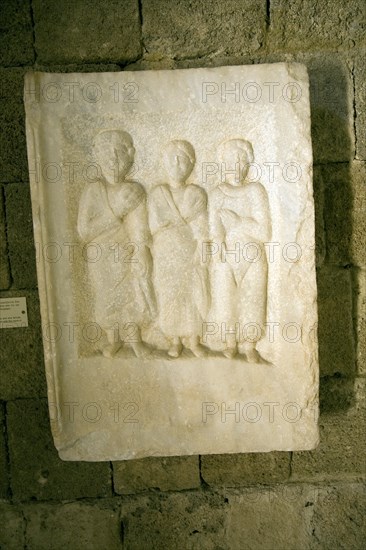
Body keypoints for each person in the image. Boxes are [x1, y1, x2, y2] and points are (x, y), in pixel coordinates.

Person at [77, 129, 155, 358]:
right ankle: (113, 339)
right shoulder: (93, 191)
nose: (114, 161)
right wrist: (115, 212)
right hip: (100, 255)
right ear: (98, 159)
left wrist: (141, 251)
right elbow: (84, 231)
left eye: (119, 154)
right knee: (106, 296)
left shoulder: (134, 190)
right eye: (107, 156)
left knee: (131, 293)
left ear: (130, 158)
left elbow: (140, 228)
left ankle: (135, 340)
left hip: (126, 252)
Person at [209, 139, 271, 362]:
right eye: (231, 159)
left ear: (248, 163)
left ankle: (250, 344)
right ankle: (229, 342)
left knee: (252, 297)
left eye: (241, 159)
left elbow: (264, 233)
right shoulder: (217, 194)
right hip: (227, 256)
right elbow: (214, 230)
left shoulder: (256, 191)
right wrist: (218, 250)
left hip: (253, 255)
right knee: (225, 297)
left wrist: (238, 222)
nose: (236, 164)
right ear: (223, 163)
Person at [149, 140, 209, 358]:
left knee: (192, 292)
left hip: (189, 252)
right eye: (172, 159)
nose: (177, 163)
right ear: (164, 163)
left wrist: (202, 247)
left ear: (191, 164)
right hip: (166, 252)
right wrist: (181, 222)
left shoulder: (196, 193)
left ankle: (193, 339)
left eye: (182, 159)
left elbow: (201, 226)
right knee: (170, 293)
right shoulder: (157, 194)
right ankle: (174, 340)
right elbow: (155, 225)